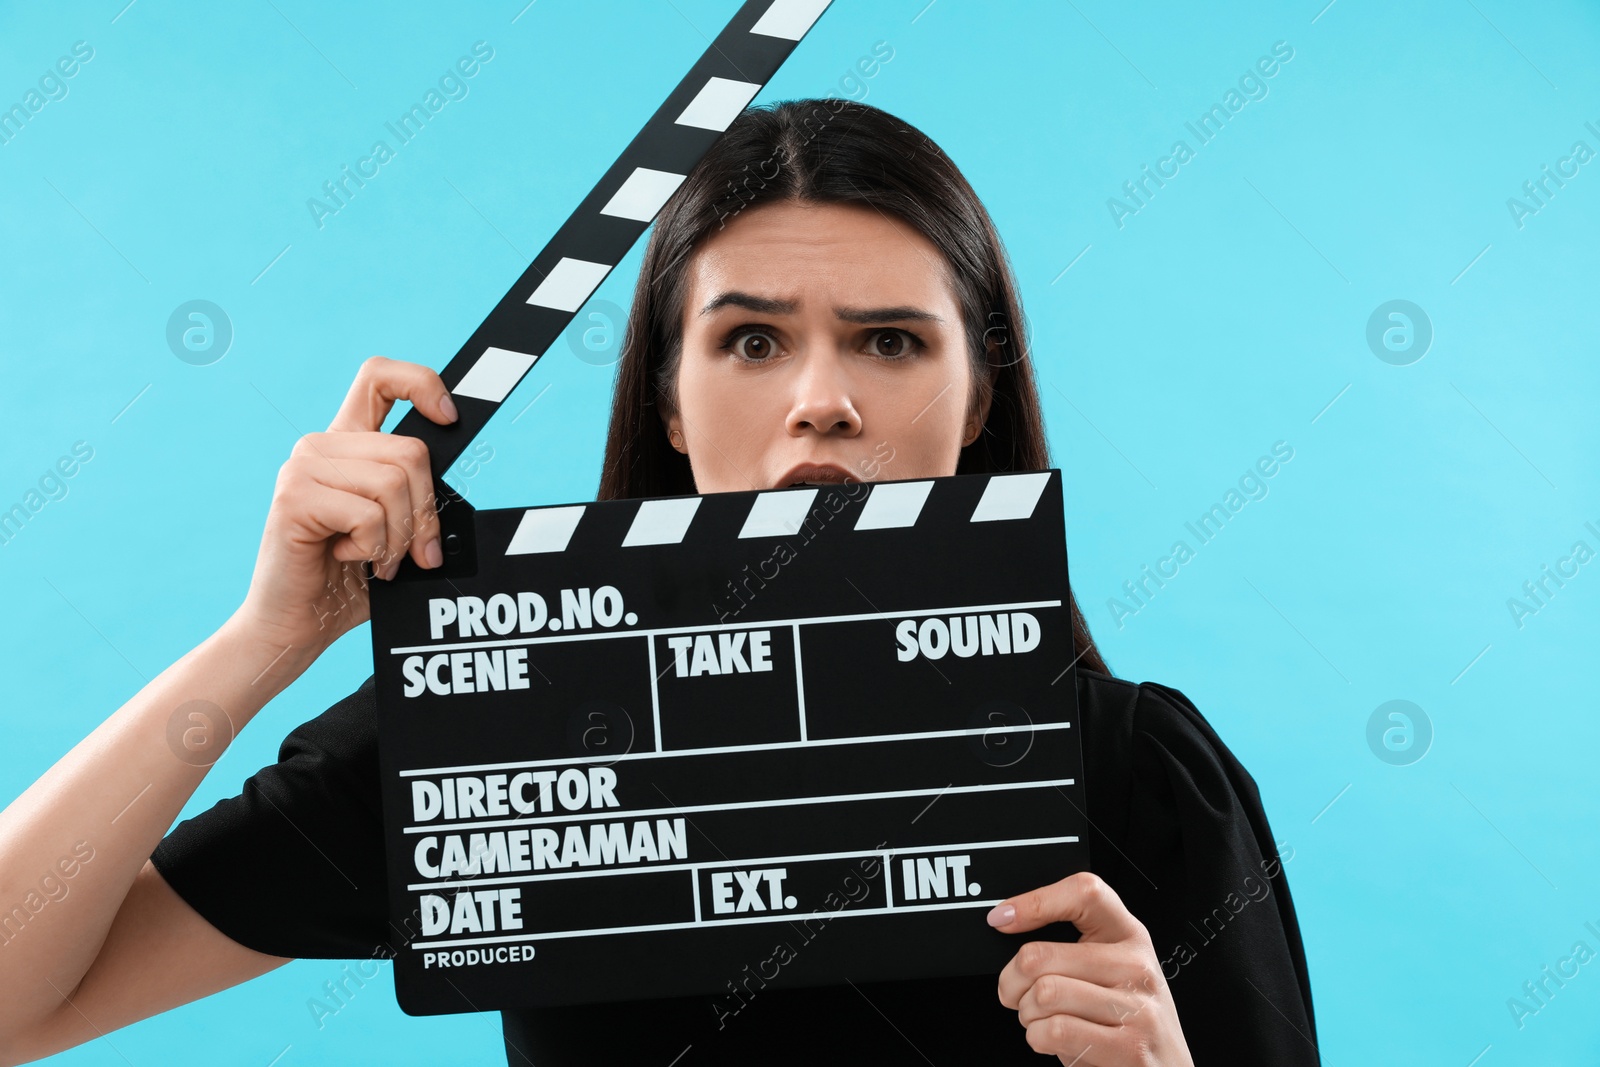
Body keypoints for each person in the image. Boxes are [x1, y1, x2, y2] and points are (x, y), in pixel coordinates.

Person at [0, 99, 1317, 1066]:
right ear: (670, 406)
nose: (823, 403)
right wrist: (261, 642)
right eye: (749, 339)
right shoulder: (494, 726)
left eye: (892, 342)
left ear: (979, 400)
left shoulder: (1139, 772)